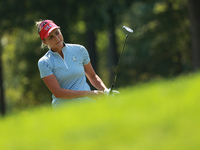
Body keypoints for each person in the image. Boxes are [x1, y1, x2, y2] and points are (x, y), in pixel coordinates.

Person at [36, 20, 110, 109]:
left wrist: (106, 91)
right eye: (51, 37)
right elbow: (58, 93)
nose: (56, 38)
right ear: (44, 42)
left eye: (57, 33)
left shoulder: (79, 50)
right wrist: (88, 93)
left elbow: (93, 76)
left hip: (87, 103)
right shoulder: (44, 62)